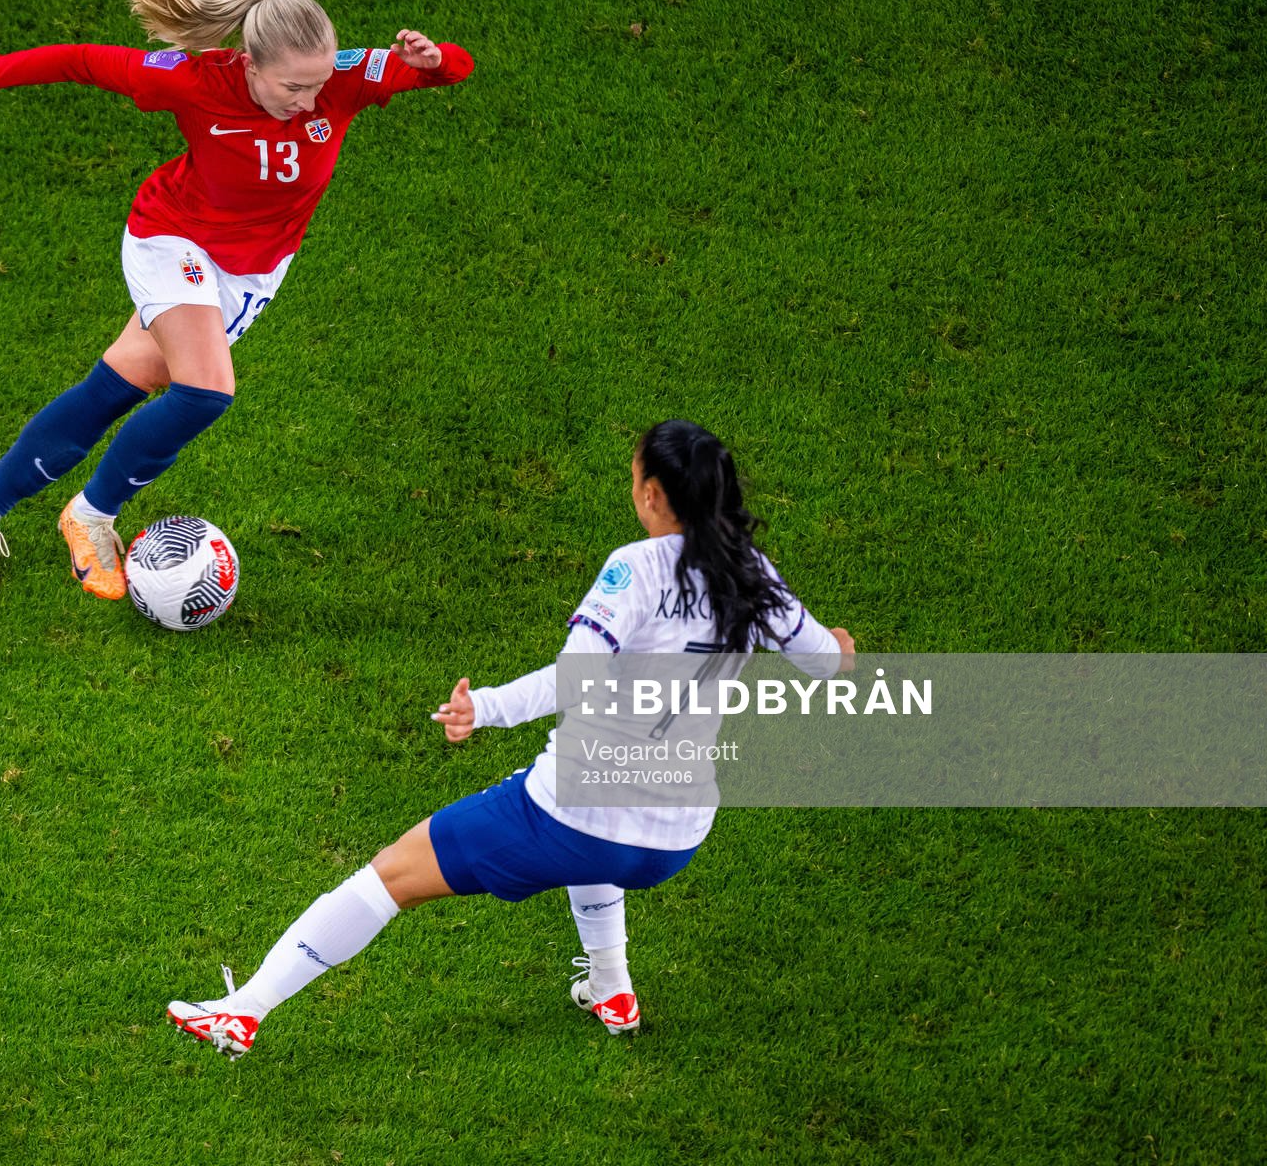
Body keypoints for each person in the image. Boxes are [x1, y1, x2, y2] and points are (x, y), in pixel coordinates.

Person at [166, 420, 856, 1057]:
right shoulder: (750, 571)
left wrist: (486, 708)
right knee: (594, 836)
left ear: (652, 494)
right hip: (677, 838)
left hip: (573, 816)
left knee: (392, 874)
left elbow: (578, 676)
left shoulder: (636, 568)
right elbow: (829, 661)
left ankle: (244, 1009)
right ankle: (613, 990)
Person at [0, 0, 475, 597]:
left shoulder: (337, 78)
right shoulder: (195, 81)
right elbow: (78, 60)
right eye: (293, 89)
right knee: (205, 393)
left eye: (318, 87)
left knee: (116, 388)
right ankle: (90, 517)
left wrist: (434, 58)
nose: (311, 104)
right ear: (250, 65)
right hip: (173, 240)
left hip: (251, 274)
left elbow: (452, 68)